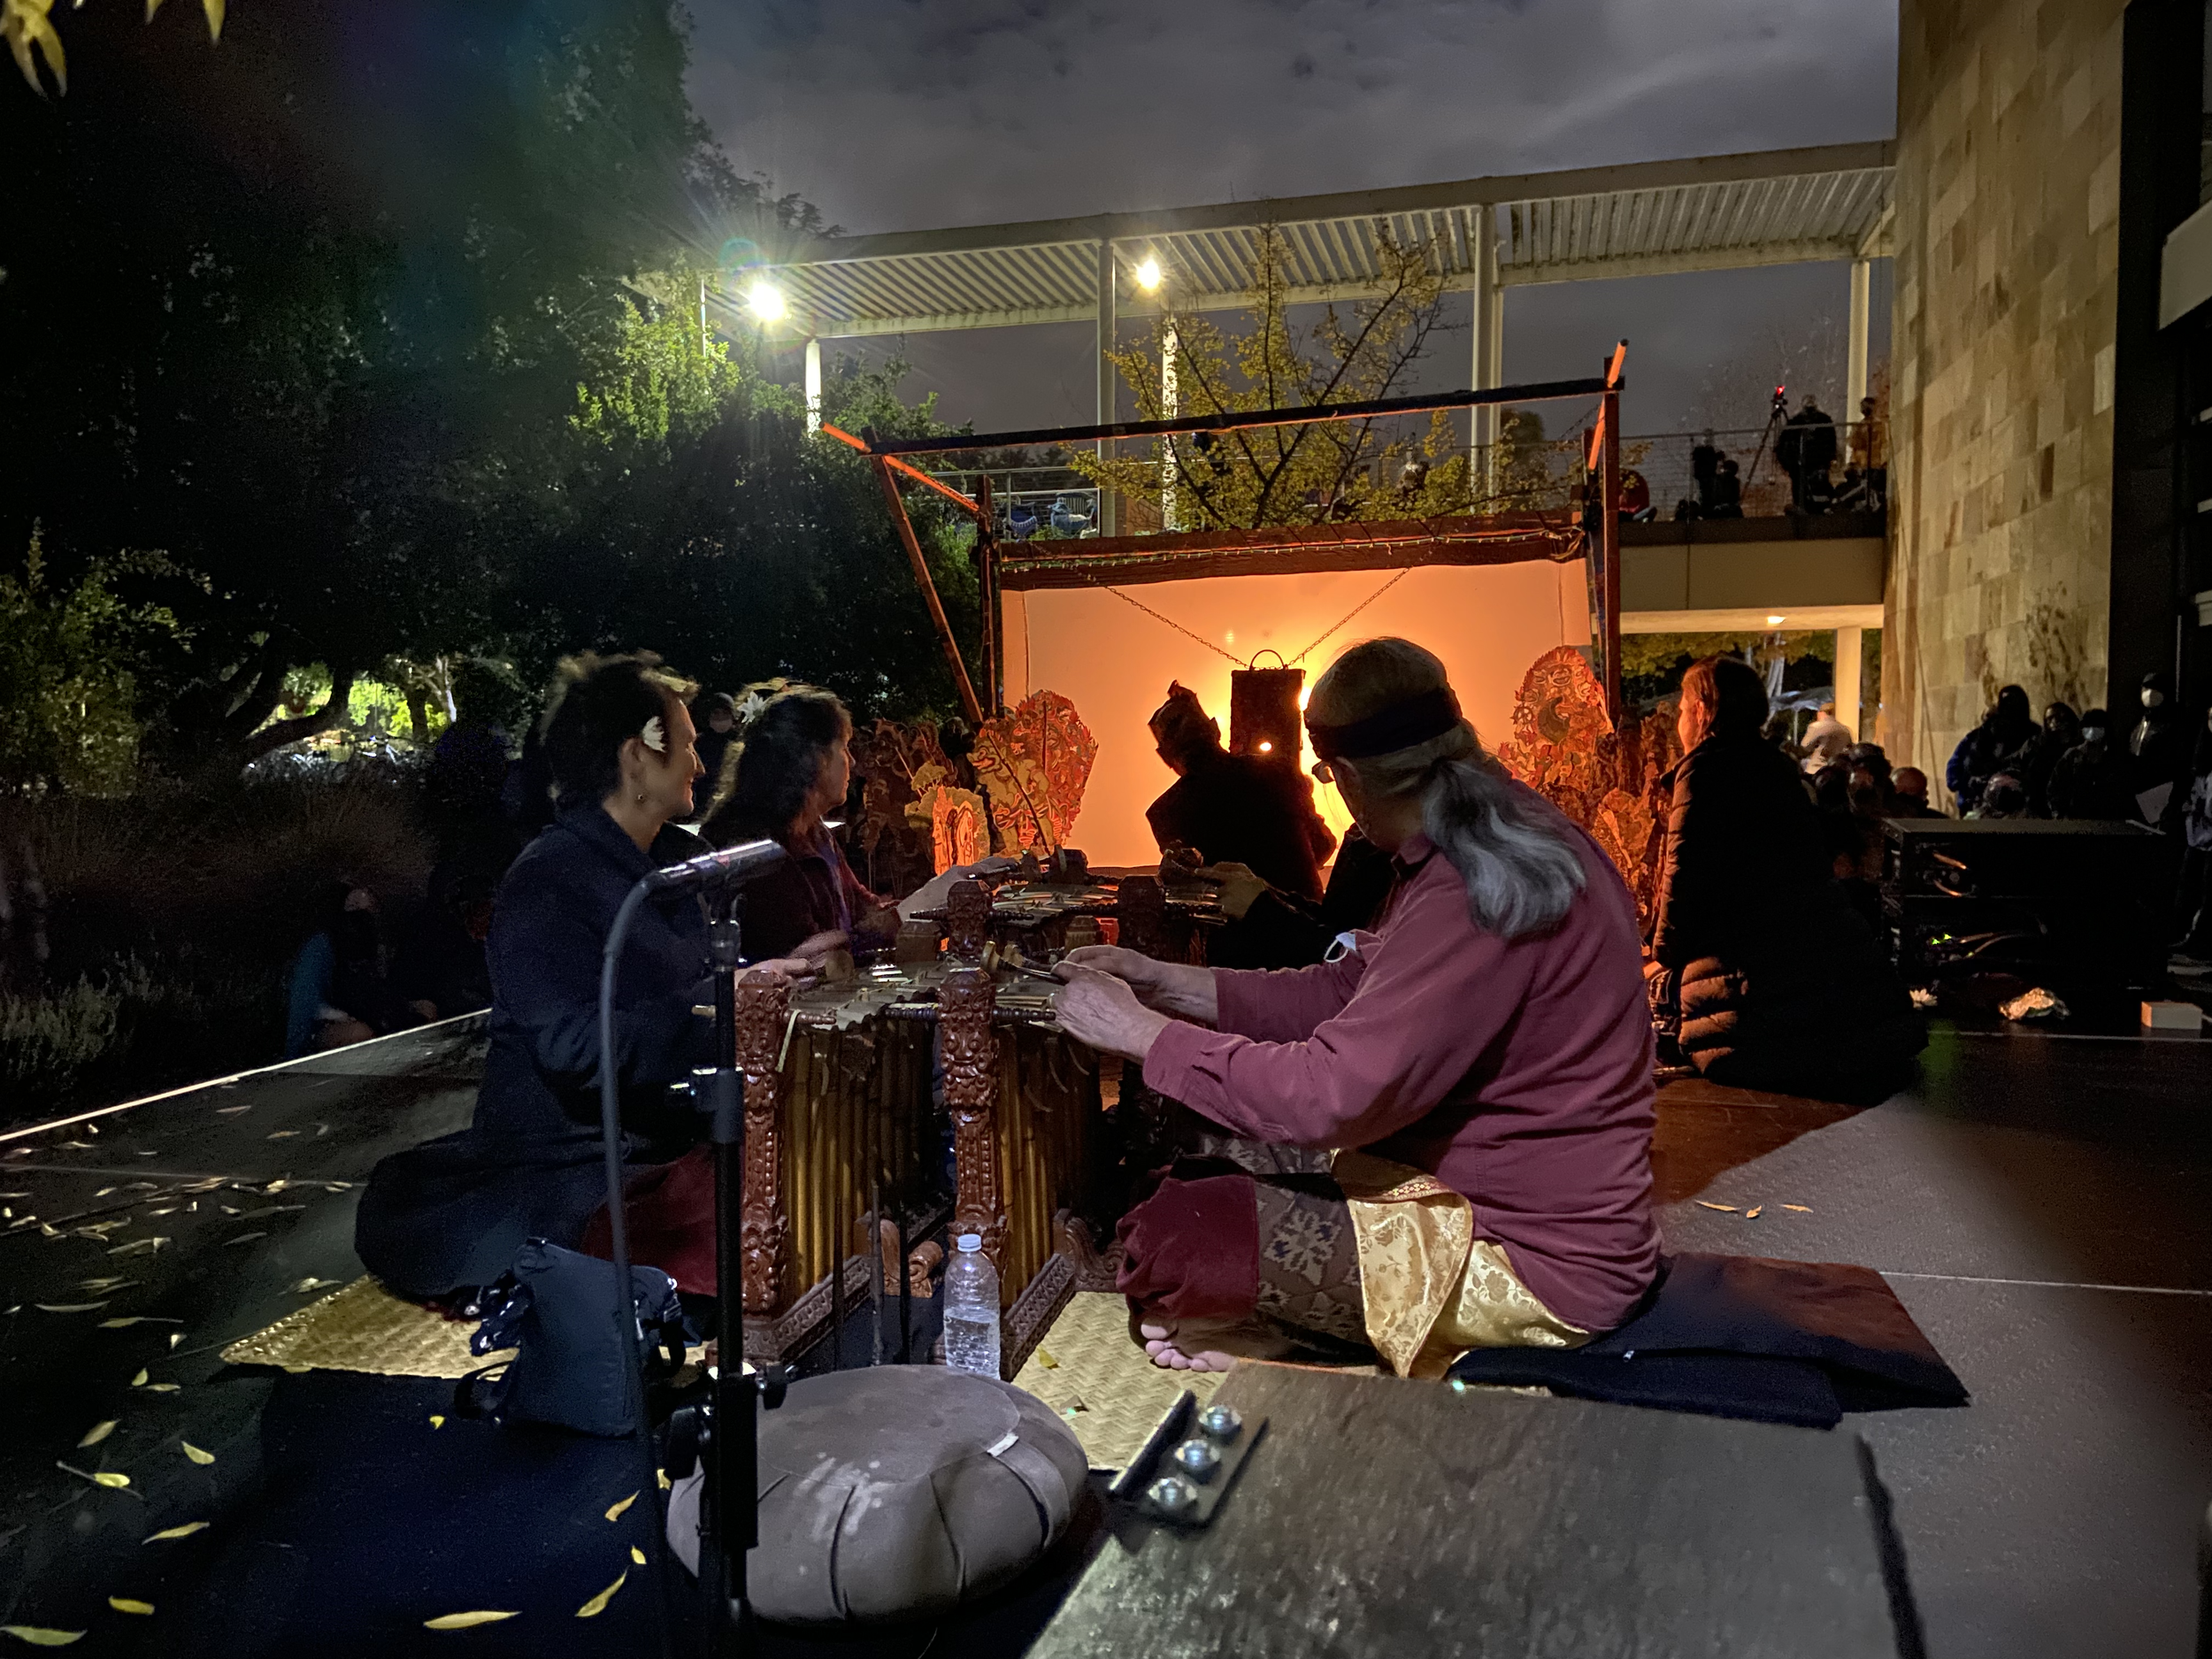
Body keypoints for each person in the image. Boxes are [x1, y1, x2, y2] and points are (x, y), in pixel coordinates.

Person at [1051, 638, 1658, 1379]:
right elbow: (1346, 991)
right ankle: (1283, 1331)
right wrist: (1164, 982)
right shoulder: (1491, 831)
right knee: (1196, 1165)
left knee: (1171, 1240)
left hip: (1535, 1258)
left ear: (1344, 775)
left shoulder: (1482, 880)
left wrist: (1139, 1033)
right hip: (1473, 1190)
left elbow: (1332, 1095)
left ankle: (1301, 1349)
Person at [356, 651, 786, 1300]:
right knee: (745, 1225)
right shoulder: (546, 880)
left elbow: (713, 990)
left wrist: (776, 983)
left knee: (797, 1180)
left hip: (672, 1141)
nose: (701, 764)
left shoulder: (682, 864)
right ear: (636, 757)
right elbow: (574, 1046)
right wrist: (719, 1003)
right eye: (688, 746)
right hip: (575, 1164)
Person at [1647, 656, 1922, 1097]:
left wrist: (1662, 951)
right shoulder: (1775, 766)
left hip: (1754, 982)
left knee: (1652, 990)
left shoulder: (1703, 769)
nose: (1678, 720)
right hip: (1827, 961)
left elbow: (1686, 879)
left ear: (1701, 709)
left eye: (1682, 707)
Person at [700, 681, 899, 967]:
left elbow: (861, 910)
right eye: (844, 747)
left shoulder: (815, 833)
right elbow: (809, 958)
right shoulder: (755, 847)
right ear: (815, 758)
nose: (852, 762)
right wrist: (910, 912)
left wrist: (928, 904)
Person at [1143, 682, 1336, 903]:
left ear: (1165, 756)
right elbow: (1323, 844)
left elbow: (1186, 886)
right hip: (1307, 923)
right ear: (1215, 729)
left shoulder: (1165, 813)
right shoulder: (1279, 771)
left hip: (1234, 930)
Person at [284, 882, 435, 1057]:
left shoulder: (377, 945)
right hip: (325, 1027)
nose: (361, 915)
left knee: (427, 1009)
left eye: (368, 909)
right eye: (354, 908)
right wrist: (340, 1016)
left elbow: (388, 989)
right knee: (359, 1032)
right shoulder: (322, 944)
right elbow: (307, 1001)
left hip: (372, 1014)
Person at [1946, 686, 2037, 817]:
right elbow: (1964, 760)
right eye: (2006, 702)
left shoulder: (2033, 734)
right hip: (1979, 798)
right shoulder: (1985, 731)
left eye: (2014, 702)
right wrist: (1964, 783)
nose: (2010, 707)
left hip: (2015, 801)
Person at [2047, 709, 2139, 820]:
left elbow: (2126, 791)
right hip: (2076, 820)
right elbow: (2055, 788)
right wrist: (2059, 815)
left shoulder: (2117, 758)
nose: (2092, 731)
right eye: (2088, 726)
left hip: (2108, 822)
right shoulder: (2072, 756)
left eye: (2097, 726)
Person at [2131, 672, 2186, 826]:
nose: (2149, 693)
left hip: (2160, 794)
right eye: (2146, 688)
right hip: (2139, 792)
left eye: (2155, 688)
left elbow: (2179, 761)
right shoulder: (2141, 721)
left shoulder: (2174, 723)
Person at [1777, 396, 1839, 515]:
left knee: (1818, 488)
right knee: (1800, 489)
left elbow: (1830, 442)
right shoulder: (1796, 422)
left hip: (1816, 462)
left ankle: (1819, 509)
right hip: (1800, 464)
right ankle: (1802, 508)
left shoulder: (1823, 421)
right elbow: (1785, 444)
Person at [2020, 702, 2081, 818]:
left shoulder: (2080, 747)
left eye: (2059, 716)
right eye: (2049, 719)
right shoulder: (2041, 750)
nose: (2054, 722)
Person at [691, 692, 738, 805]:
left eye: (725, 713)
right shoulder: (698, 743)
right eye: (716, 713)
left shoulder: (740, 742)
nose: (720, 718)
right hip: (702, 801)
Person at [1847, 396, 1887, 510]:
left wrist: (1883, 462)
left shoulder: (1879, 425)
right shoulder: (1860, 425)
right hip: (1863, 463)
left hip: (1875, 463)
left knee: (1872, 486)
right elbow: (1853, 443)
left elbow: (1882, 443)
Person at [1801, 700, 1853, 772]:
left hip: (1818, 767)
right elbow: (1850, 748)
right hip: (1837, 768)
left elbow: (1805, 746)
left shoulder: (1816, 727)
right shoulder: (1845, 730)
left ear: (1821, 713)